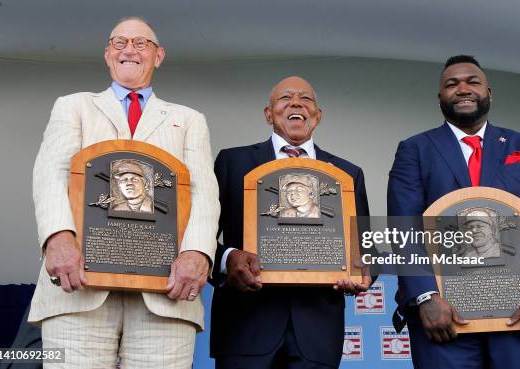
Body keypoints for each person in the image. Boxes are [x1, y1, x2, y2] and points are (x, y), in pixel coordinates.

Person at [29, 16, 220, 368]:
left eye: (140, 43)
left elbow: (203, 192)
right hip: (78, 286)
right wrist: (57, 237)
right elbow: (50, 173)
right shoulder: (73, 106)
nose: (129, 49)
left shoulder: (189, 119)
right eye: (119, 43)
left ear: (158, 56)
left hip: (165, 292)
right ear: (107, 54)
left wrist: (198, 254)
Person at [387, 55, 520, 369]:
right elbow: (404, 229)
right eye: (451, 84)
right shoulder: (415, 149)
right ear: (440, 97)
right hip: (445, 318)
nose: (462, 89)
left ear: (488, 92)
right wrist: (425, 296)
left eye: (472, 82)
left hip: (519, 313)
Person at [210, 76, 371, 369]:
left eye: (306, 99)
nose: (296, 102)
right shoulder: (232, 162)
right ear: (268, 114)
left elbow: (363, 247)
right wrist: (227, 259)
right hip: (245, 327)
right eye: (285, 98)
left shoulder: (348, 174)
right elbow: (201, 237)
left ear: (317, 116)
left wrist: (363, 271)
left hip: (318, 333)